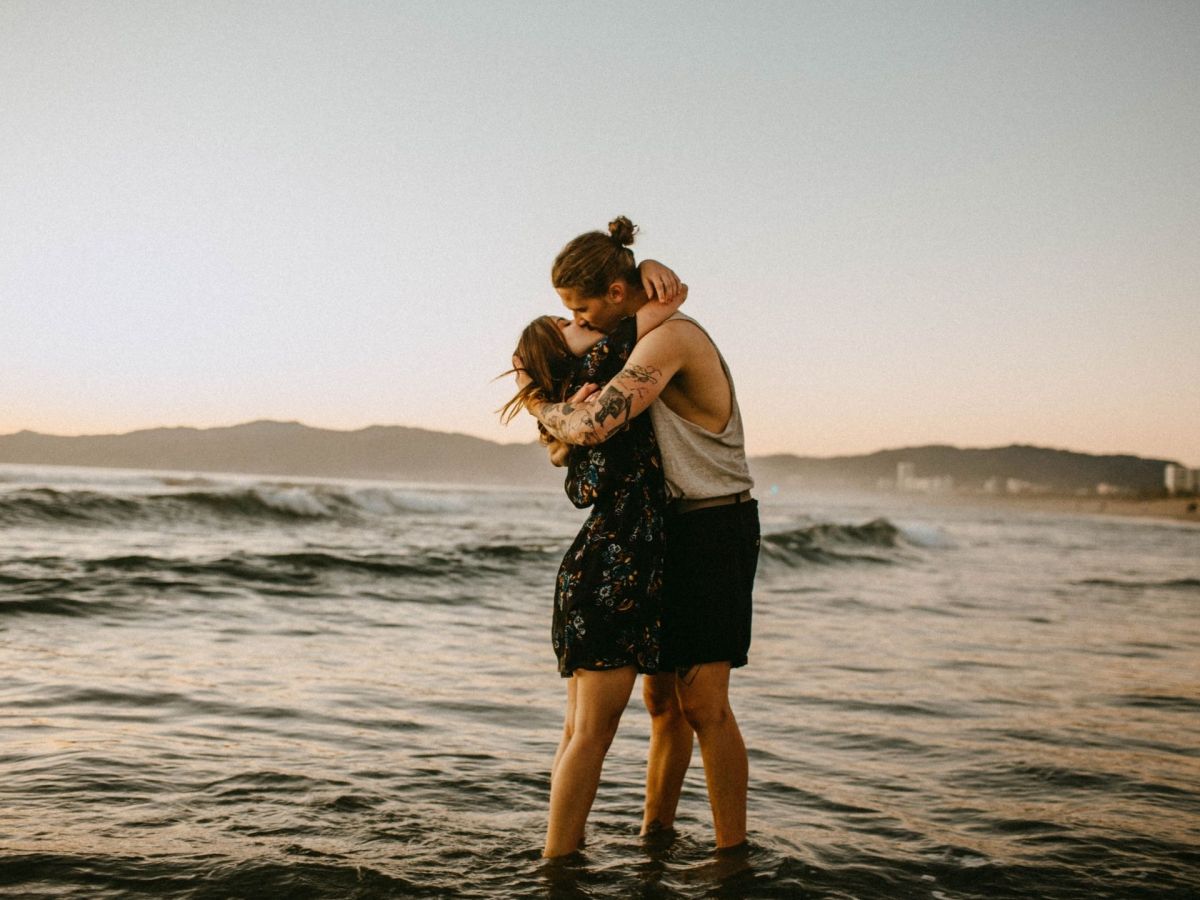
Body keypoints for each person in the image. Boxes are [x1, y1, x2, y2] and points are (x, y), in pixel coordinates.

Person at [518, 216, 759, 856]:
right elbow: (582, 429)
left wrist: (541, 407)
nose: (579, 318)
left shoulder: (670, 338)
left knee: (703, 704)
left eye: (584, 307)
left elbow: (595, 421)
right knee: (661, 703)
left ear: (618, 295)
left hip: (711, 523)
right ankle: (657, 834)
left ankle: (731, 855)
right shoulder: (637, 331)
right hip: (660, 529)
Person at [502, 246, 686, 858]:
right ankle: (558, 862)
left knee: (580, 732)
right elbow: (665, 306)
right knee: (591, 735)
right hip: (615, 566)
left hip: (597, 563)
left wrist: (645, 259)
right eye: (570, 325)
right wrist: (647, 271)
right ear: (567, 352)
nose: (583, 323)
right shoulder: (606, 366)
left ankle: (561, 855)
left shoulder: (582, 396)